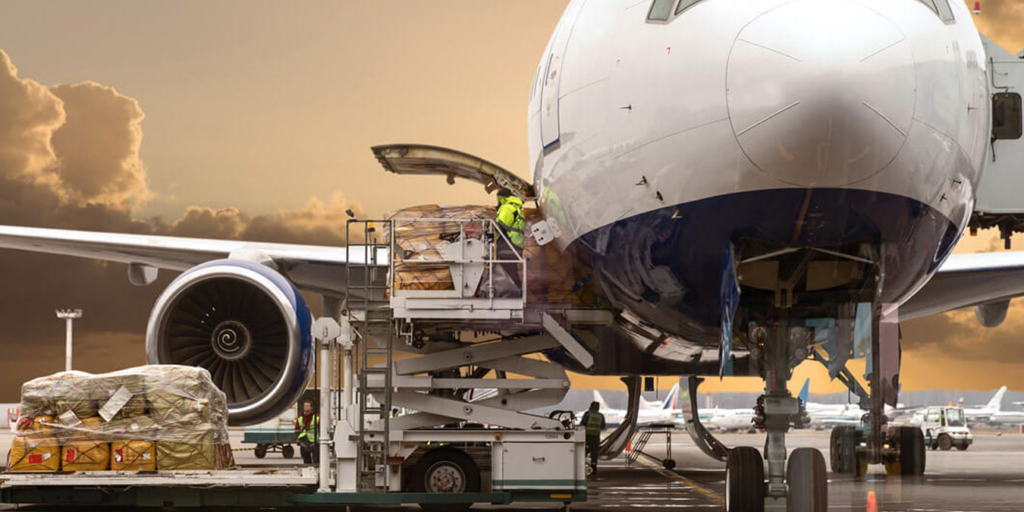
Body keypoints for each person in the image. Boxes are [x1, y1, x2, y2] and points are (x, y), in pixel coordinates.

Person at [495, 188, 525, 289]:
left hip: (509, 244)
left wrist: (488, 228)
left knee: (507, 268)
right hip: (516, 244)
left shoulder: (507, 207)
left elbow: (501, 224)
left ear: (502, 197)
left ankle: (517, 289)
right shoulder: (516, 207)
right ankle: (517, 288)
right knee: (510, 268)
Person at [581, 401, 605, 474]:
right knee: (594, 452)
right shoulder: (601, 416)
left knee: (583, 451)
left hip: (587, 436)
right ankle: (594, 467)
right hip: (596, 437)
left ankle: (581, 465)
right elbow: (603, 426)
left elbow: (582, 424)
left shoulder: (588, 414)